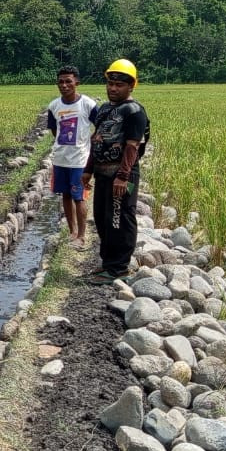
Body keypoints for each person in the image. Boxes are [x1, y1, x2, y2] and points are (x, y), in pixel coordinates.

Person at [83, 59, 149, 284]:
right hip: (102, 173)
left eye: (119, 85)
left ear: (131, 86)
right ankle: (108, 263)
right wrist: (88, 170)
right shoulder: (104, 109)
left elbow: (132, 146)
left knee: (119, 219)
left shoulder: (134, 111)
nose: (113, 88)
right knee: (102, 219)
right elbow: (97, 140)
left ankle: (119, 267)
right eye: (110, 83)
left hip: (121, 175)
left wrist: (122, 176)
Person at [46, 65, 97, 249]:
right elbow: (55, 130)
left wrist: (90, 141)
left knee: (79, 196)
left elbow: (100, 126)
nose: (64, 85)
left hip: (79, 160)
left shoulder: (88, 104)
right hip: (60, 159)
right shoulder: (54, 106)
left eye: (68, 81)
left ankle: (82, 236)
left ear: (77, 82)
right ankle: (72, 231)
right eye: (60, 82)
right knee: (66, 195)